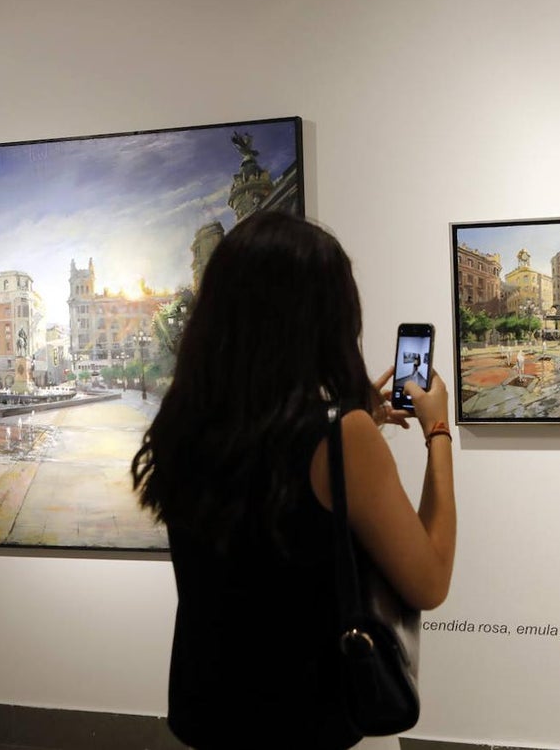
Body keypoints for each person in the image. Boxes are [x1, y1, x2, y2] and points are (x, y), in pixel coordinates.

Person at [132, 211, 456, 750]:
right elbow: (430, 582)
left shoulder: (182, 426)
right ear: (324, 319)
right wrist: (437, 430)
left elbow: (268, 510)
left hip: (209, 716)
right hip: (315, 725)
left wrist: (352, 428)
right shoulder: (341, 439)